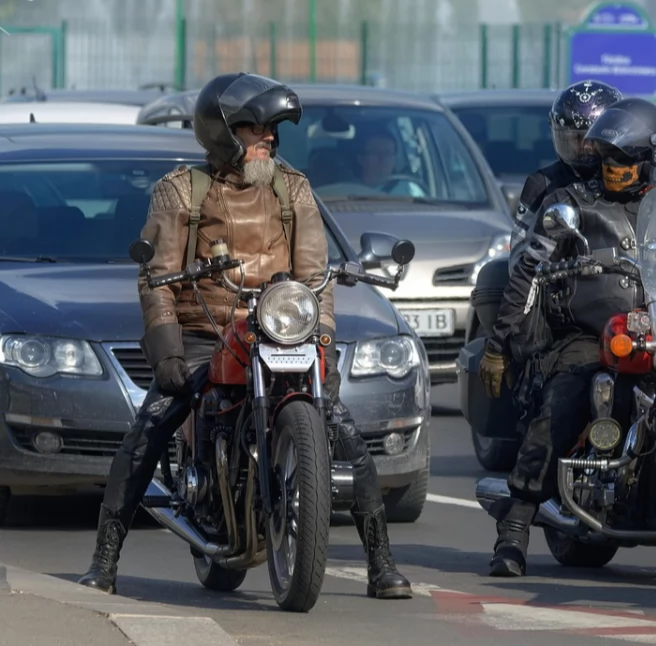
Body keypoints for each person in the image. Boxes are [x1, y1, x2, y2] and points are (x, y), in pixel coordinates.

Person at [77, 72, 413, 601]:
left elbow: (315, 277)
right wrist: (166, 349)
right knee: (152, 423)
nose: (268, 138)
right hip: (204, 329)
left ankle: (382, 563)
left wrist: (321, 340)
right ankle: (105, 558)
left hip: (279, 327)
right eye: (254, 127)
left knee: (342, 427)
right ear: (222, 131)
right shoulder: (180, 190)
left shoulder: (293, 187)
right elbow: (155, 277)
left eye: (272, 128)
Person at [479, 97, 656, 577]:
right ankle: (515, 529)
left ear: (649, 160)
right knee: (562, 401)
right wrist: (499, 345)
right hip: (589, 337)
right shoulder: (569, 203)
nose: (613, 168)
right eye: (606, 157)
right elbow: (526, 272)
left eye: (624, 160)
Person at [508, 80, 623, 267]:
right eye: (576, 138)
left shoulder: (628, 181)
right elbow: (519, 256)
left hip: (626, 283)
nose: (585, 146)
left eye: (592, 139)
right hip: (564, 288)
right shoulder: (541, 183)